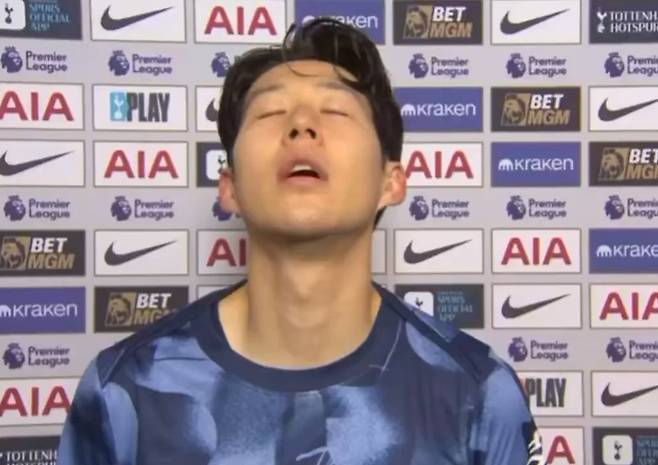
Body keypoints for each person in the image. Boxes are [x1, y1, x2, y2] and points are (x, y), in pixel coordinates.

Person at [58, 18, 543, 465]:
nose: (302, 126)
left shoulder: (477, 395)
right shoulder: (123, 392)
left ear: (391, 181)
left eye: (336, 110)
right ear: (230, 187)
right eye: (271, 112)